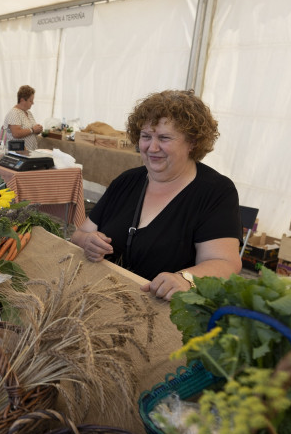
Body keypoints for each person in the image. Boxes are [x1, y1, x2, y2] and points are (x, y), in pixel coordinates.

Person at [71, 89, 242, 301]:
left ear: (193, 142)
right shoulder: (126, 181)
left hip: (165, 317)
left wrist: (185, 279)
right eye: (145, 136)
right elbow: (79, 235)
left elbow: (226, 262)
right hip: (102, 303)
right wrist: (88, 241)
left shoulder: (215, 192)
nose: (152, 147)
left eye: (164, 138)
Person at [3, 85, 44, 151]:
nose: (33, 103)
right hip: (18, 154)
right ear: (22, 100)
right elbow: (16, 133)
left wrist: (38, 130)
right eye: (30, 101)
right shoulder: (14, 113)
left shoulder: (29, 113)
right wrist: (32, 130)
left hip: (29, 152)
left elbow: (32, 129)